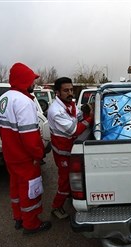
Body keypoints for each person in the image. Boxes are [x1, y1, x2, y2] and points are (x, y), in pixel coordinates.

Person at [0, 62, 52, 235]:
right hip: (26, 157)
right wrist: (38, 154)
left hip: (10, 155)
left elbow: (3, 130)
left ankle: (18, 217)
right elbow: (30, 135)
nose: (33, 83)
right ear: (24, 81)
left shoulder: (1, 100)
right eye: (31, 80)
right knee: (30, 190)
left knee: (16, 187)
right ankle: (31, 224)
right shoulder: (24, 102)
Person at [47, 77, 94, 219]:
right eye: (66, 90)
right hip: (62, 152)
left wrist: (85, 111)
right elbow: (74, 130)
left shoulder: (70, 104)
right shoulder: (56, 111)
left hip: (70, 149)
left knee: (71, 177)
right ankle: (56, 207)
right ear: (57, 93)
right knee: (65, 181)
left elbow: (77, 116)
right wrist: (90, 118)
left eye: (71, 90)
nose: (70, 93)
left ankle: (68, 195)